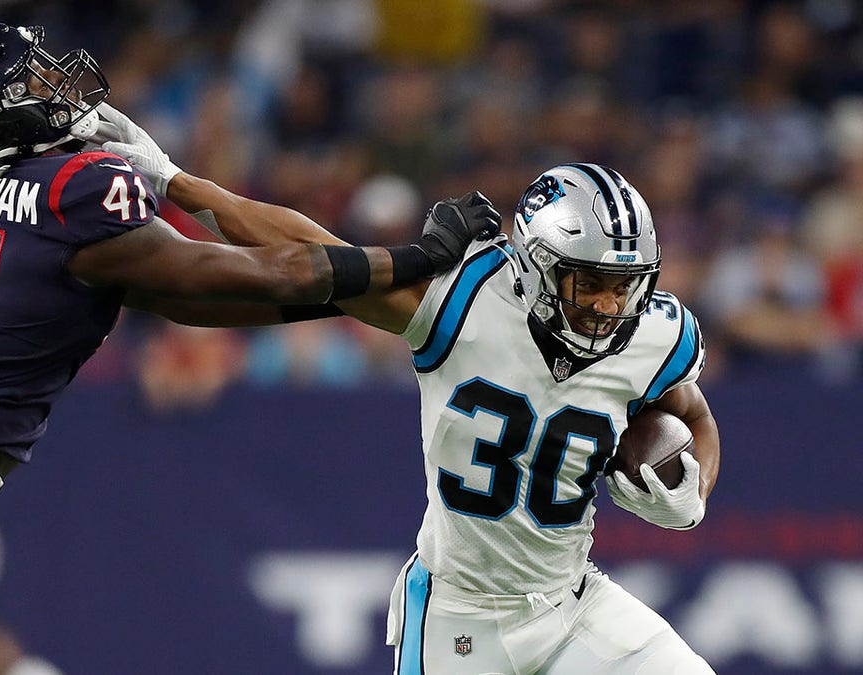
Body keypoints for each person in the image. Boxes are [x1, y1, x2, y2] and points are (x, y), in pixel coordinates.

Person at [0, 22, 501, 675]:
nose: (53, 86)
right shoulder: (76, 189)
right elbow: (236, 272)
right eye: (28, 82)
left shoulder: (9, 192)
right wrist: (415, 258)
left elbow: (196, 297)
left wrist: (189, 192)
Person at [94, 108, 721, 673]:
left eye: (626, 285)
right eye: (590, 283)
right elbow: (307, 249)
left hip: (572, 602)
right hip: (461, 618)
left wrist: (693, 487)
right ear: (536, 266)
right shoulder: (464, 300)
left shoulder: (655, 334)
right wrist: (173, 180)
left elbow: (692, 412)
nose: (611, 306)